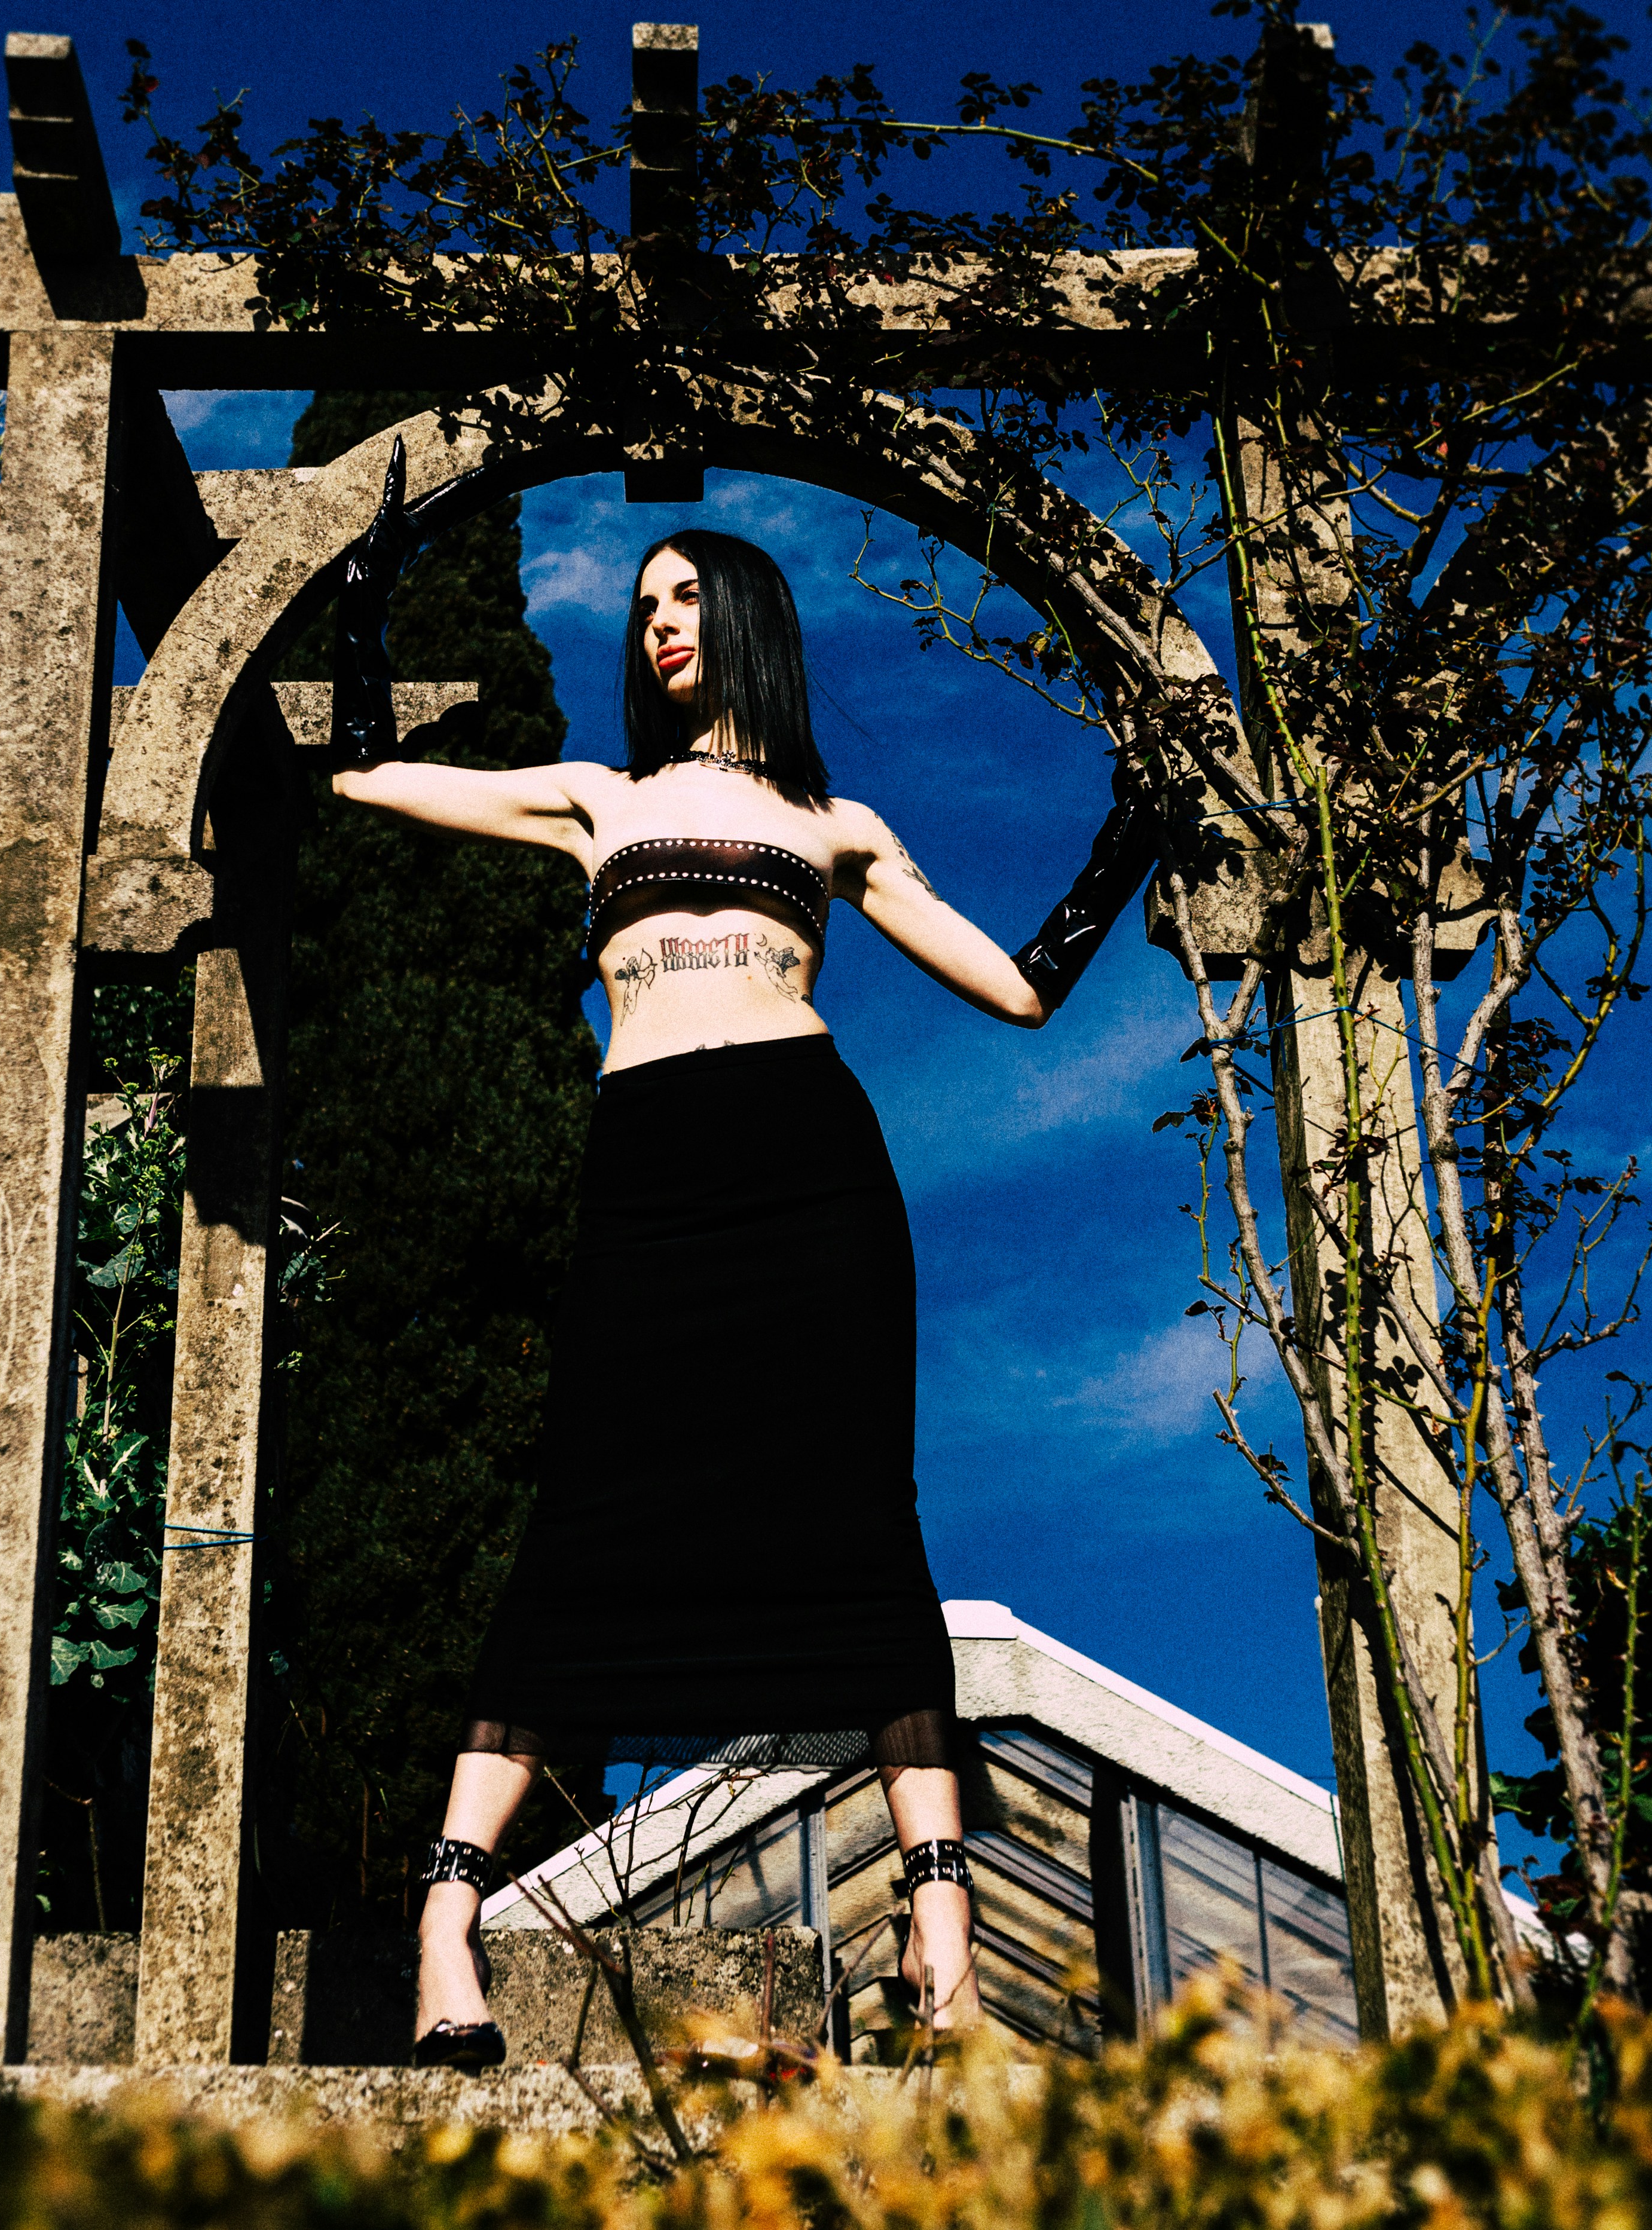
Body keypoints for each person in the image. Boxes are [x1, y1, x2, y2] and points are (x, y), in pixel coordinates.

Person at [323, 445, 1157, 2067]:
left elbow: (1018, 989)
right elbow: (365, 782)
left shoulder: (838, 826)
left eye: (687, 593)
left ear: (751, 621)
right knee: (579, 1518)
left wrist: (1130, 823)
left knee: (860, 1526)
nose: (657, 621)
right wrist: (368, 599)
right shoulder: (598, 800)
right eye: (640, 603)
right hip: (647, 1176)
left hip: (809, 1180)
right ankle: (445, 1921)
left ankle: (941, 1944)